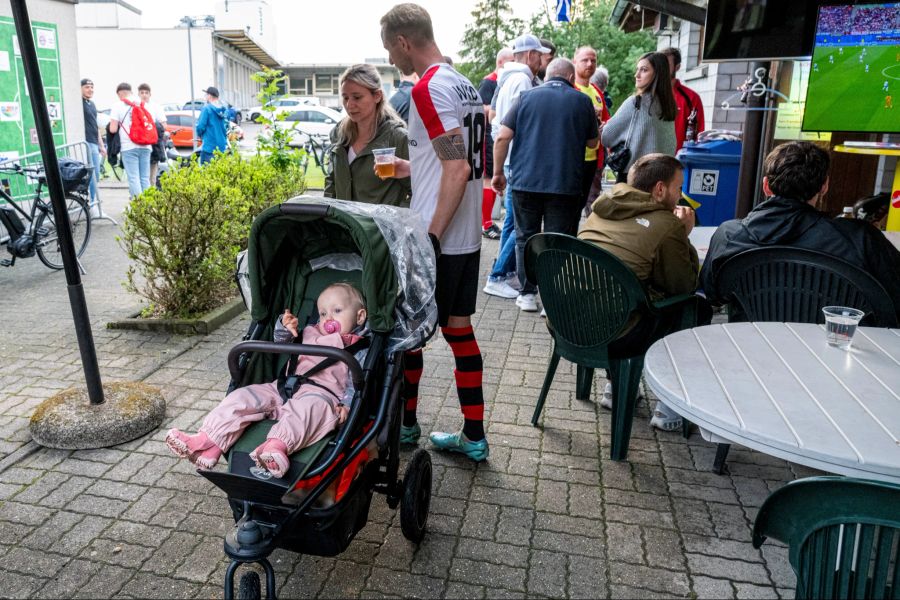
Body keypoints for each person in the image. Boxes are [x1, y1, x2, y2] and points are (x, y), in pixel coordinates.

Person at [380, 2, 489, 461]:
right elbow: (453, 157)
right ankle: (474, 435)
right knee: (459, 331)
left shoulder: (427, 88)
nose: (390, 60)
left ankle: (406, 428)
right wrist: (410, 166)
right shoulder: (463, 83)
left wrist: (431, 238)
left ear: (404, 42)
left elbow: (457, 165)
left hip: (437, 236)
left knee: (408, 334)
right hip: (467, 235)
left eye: (389, 49)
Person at [165, 283, 368, 478]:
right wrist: (285, 327)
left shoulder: (358, 347)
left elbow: (357, 383)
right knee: (243, 397)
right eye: (323, 313)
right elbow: (281, 342)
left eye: (337, 311)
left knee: (308, 411)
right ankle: (207, 441)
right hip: (282, 387)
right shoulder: (309, 331)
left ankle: (275, 446)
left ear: (360, 316)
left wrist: (348, 405)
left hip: (321, 395)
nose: (327, 318)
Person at [702, 141, 900, 321]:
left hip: (751, 349)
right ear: (824, 186)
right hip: (837, 353)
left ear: (765, 186)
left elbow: (713, 294)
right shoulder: (860, 239)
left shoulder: (729, 235)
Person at [578, 153, 699, 430]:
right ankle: (670, 405)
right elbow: (683, 285)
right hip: (616, 333)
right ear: (660, 189)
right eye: (679, 188)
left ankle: (616, 385)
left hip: (567, 323)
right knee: (691, 307)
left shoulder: (600, 209)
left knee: (614, 293)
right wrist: (684, 234)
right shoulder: (668, 225)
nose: (681, 196)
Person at [493, 58, 599, 313]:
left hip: (525, 182)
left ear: (546, 74)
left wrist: (498, 173)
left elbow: (502, 137)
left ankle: (527, 294)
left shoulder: (525, 97)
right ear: (571, 78)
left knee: (525, 238)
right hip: (564, 184)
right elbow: (593, 144)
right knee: (556, 241)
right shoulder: (582, 101)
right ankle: (550, 299)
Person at [481, 34, 549, 302]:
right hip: (518, 160)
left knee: (512, 221)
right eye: (540, 55)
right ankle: (497, 275)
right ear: (530, 55)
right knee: (519, 224)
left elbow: (495, 117)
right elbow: (518, 124)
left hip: (510, 160)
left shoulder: (507, 78)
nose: (543, 60)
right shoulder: (522, 80)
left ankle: (503, 271)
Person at [324, 63, 411, 206]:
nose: (350, 105)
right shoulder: (338, 133)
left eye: (357, 97)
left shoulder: (397, 138)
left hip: (380, 227)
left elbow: (418, 190)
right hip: (343, 226)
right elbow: (331, 182)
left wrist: (395, 221)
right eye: (345, 98)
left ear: (377, 96)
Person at [601, 52, 677, 182]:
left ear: (657, 74)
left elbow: (607, 138)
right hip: (662, 179)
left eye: (644, 70)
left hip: (634, 178)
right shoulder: (668, 105)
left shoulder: (636, 103)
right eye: (637, 69)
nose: (637, 75)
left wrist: (606, 126)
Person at [478, 48, 514, 239]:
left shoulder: (506, 80)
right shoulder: (489, 81)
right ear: (500, 62)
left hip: (499, 135)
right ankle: (486, 224)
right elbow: (482, 107)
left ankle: (488, 222)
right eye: (510, 61)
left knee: (494, 178)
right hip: (488, 137)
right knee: (488, 178)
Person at [574, 47, 611, 214]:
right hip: (573, 160)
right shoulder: (571, 88)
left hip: (594, 160)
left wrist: (604, 126)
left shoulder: (596, 91)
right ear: (575, 61)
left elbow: (607, 120)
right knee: (571, 206)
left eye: (593, 60)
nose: (590, 64)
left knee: (592, 205)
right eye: (585, 60)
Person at [109, 82, 152, 198]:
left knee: (134, 178)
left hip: (128, 146)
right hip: (146, 145)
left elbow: (113, 129)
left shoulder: (117, 105)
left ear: (119, 94)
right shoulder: (143, 103)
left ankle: (140, 208)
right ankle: (149, 208)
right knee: (145, 178)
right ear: (131, 92)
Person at [660, 47, 705, 152]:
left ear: (677, 67)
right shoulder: (649, 96)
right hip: (650, 161)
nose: (662, 68)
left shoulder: (691, 98)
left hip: (678, 162)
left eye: (667, 65)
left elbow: (699, 134)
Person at [80, 78, 105, 209]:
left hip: (94, 142)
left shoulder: (92, 104)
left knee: (95, 174)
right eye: (87, 87)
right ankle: (91, 202)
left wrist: (101, 145)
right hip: (86, 142)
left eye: (92, 87)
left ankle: (92, 201)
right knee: (92, 173)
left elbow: (95, 126)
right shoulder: (79, 103)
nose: (90, 89)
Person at [137, 83, 167, 186]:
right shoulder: (135, 106)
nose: (144, 95)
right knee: (138, 176)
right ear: (138, 94)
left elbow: (164, 125)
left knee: (151, 177)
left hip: (153, 145)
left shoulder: (156, 107)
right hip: (138, 145)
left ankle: (151, 198)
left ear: (150, 94)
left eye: (146, 93)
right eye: (142, 92)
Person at [195, 86, 228, 164]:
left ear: (209, 96)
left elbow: (200, 126)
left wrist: (200, 135)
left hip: (209, 147)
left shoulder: (207, 109)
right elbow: (226, 126)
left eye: (206, 94)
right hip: (221, 146)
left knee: (206, 172)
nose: (205, 97)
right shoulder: (223, 110)